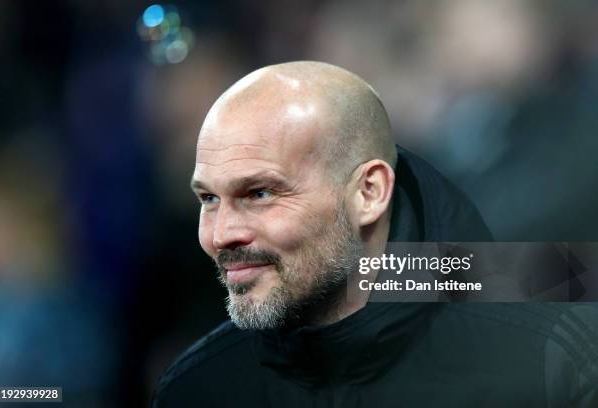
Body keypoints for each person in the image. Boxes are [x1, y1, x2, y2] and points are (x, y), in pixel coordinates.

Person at [152, 61, 598, 407]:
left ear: (369, 192)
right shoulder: (195, 389)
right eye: (208, 199)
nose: (221, 235)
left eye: (261, 193)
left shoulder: (553, 346)